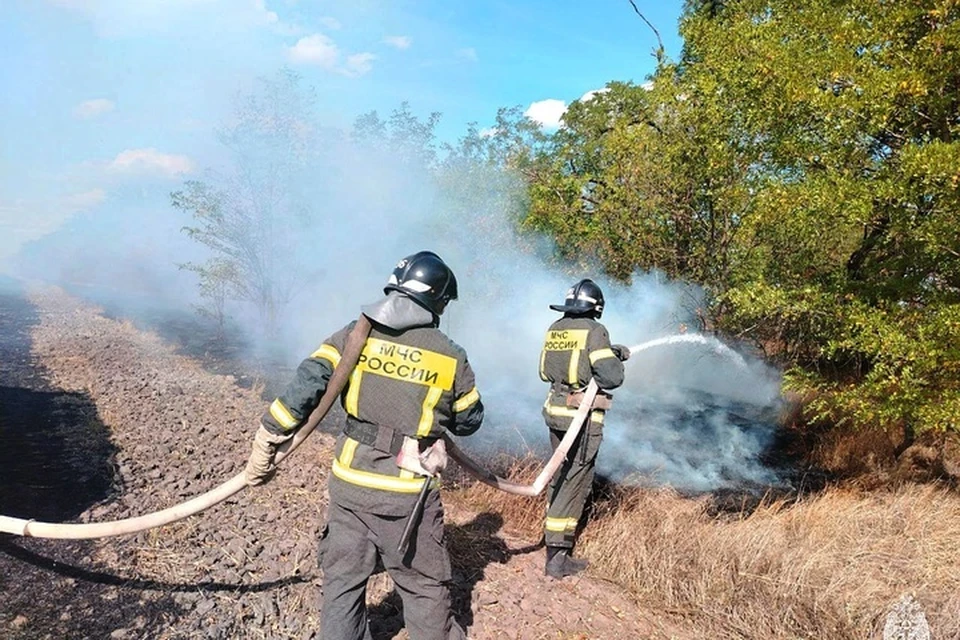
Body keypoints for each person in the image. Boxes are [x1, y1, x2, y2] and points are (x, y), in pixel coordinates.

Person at [244, 251, 484, 640]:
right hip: (408, 498)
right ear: (438, 301)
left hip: (349, 485)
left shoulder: (354, 334)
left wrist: (270, 433)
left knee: (342, 584)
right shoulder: (450, 355)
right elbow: (470, 420)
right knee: (424, 588)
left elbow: (310, 381)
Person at [538, 278, 629, 579]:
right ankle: (558, 558)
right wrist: (615, 359)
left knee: (559, 475)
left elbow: (544, 371)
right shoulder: (595, 330)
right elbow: (611, 378)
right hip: (581, 419)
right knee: (575, 481)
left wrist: (607, 352)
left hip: (555, 412)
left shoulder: (556, 328)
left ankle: (552, 545)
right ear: (597, 308)